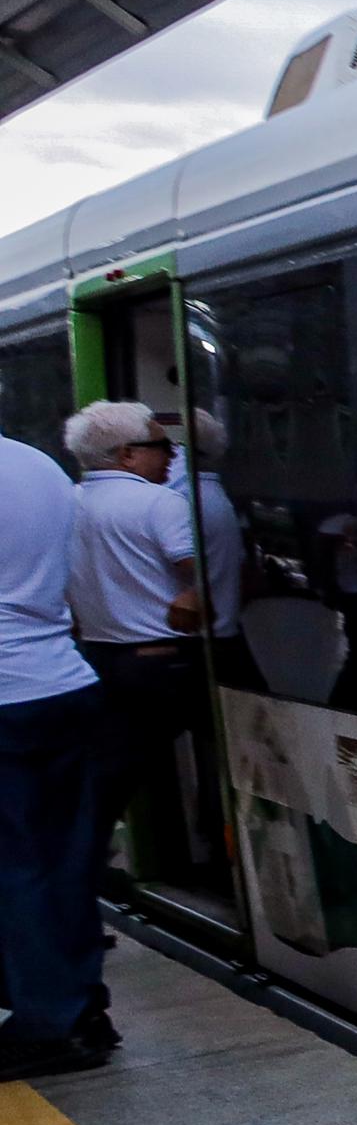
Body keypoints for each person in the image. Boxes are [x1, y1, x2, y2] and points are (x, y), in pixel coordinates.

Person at [65, 400, 202, 908]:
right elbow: (196, 572)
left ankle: (85, 879)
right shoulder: (158, 504)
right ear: (126, 454)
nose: (170, 455)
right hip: (164, 659)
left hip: (100, 658)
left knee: (109, 775)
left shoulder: (68, 503)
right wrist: (193, 597)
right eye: (160, 445)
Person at [0, 430, 106, 1076]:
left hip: (4, 694)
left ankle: (47, 1024)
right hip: (64, 680)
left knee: (15, 868)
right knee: (67, 860)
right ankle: (84, 1005)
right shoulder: (36, 463)